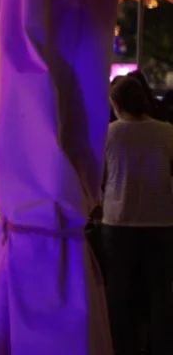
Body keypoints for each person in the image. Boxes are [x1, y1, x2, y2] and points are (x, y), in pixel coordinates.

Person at [101, 74, 173, 355]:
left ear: (117, 103)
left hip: (118, 221)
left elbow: (100, 178)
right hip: (161, 221)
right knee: (160, 293)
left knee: (119, 293)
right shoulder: (167, 131)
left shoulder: (109, 133)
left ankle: (121, 347)